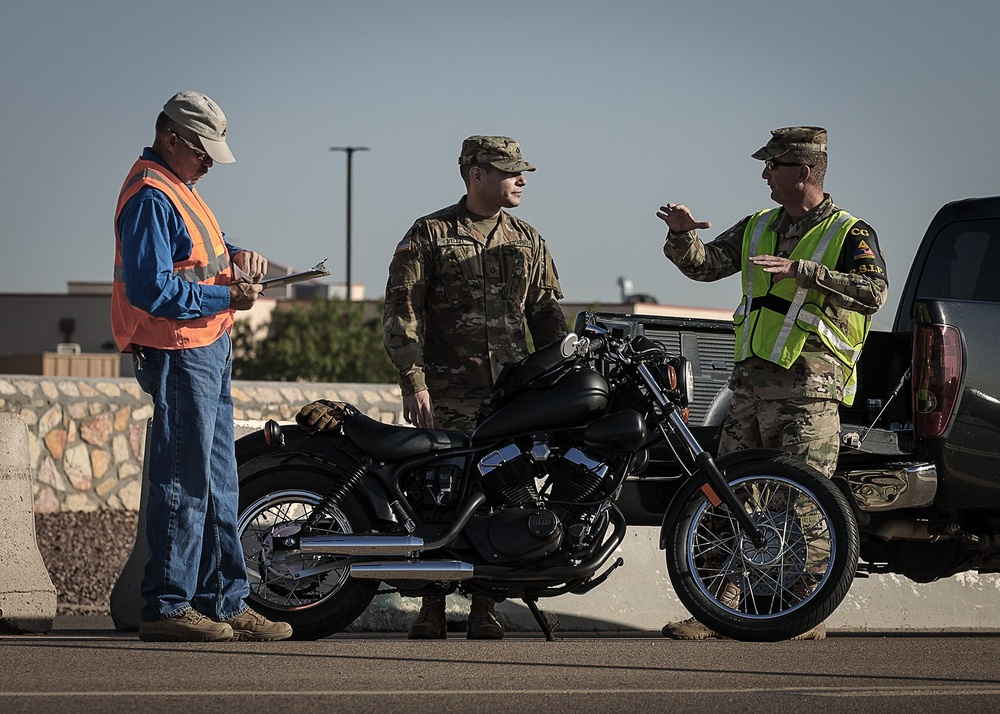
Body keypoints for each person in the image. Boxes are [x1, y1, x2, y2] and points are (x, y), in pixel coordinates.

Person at [655, 126, 888, 641]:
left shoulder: (849, 232)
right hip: (749, 391)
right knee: (730, 498)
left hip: (808, 391)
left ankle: (806, 609)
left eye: (773, 165)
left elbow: (874, 292)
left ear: (804, 171)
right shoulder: (758, 224)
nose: (764, 173)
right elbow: (705, 266)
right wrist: (681, 235)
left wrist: (803, 271)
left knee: (805, 503)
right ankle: (719, 607)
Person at [112, 91, 292, 642]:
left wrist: (237, 255)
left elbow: (198, 252)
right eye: (203, 150)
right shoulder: (150, 193)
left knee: (217, 480)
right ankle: (167, 607)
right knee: (183, 478)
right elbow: (152, 289)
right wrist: (227, 300)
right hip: (178, 349)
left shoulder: (178, 187)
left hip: (205, 348)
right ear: (173, 140)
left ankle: (224, 601)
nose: (211, 161)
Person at [383, 135, 567, 639]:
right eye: (510, 171)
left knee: (507, 496)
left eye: (521, 171)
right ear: (475, 173)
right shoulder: (430, 233)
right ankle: (431, 608)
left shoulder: (528, 239)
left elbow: (547, 316)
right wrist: (412, 381)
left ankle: (486, 604)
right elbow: (403, 313)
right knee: (438, 497)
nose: (521, 180)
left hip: (511, 398)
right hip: (447, 395)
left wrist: (561, 377)